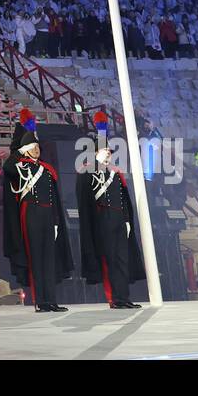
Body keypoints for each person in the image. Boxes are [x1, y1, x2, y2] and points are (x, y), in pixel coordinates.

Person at [3, 130, 72, 312]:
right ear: (25, 150)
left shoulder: (46, 169)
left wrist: (56, 221)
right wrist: (20, 149)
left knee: (49, 260)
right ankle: (41, 301)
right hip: (31, 214)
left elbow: (54, 199)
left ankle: (51, 300)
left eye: (37, 147)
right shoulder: (18, 166)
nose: (36, 150)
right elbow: (7, 167)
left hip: (48, 215)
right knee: (36, 259)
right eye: (32, 147)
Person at [76, 129, 144, 309]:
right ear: (96, 152)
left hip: (119, 220)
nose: (109, 153)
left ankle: (124, 297)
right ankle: (114, 298)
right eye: (105, 150)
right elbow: (84, 199)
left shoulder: (116, 172)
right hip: (102, 220)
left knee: (122, 260)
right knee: (110, 261)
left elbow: (123, 199)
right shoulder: (87, 171)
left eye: (109, 150)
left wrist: (128, 220)